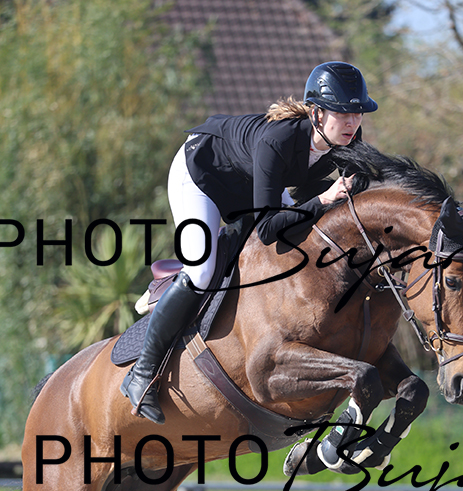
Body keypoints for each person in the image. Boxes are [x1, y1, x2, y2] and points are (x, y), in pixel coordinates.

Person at [120, 61, 378, 423]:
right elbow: (269, 228)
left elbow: (355, 189)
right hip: (201, 173)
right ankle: (141, 375)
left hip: (249, 179)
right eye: (342, 114)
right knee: (202, 271)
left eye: (357, 113)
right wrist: (322, 199)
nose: (352, 122)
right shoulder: (279, 140)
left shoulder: (348, 138)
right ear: (317, 114)